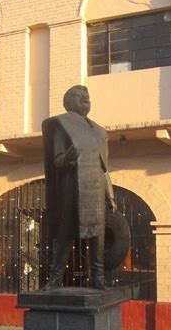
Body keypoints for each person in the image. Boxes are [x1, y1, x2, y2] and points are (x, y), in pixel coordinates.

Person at [42, 85, 116, 291]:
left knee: (98, 235)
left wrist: (110, 195)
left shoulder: (100, 131)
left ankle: (98, 277)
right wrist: (68, 157)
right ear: (68, 103)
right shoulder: (62, 124)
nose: (86, 98)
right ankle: (56, 277)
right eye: (80, 96)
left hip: (95, 187)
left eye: (88, 96)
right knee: (65, 233)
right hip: (71, 188)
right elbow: (56, 161)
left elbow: (104, 167)